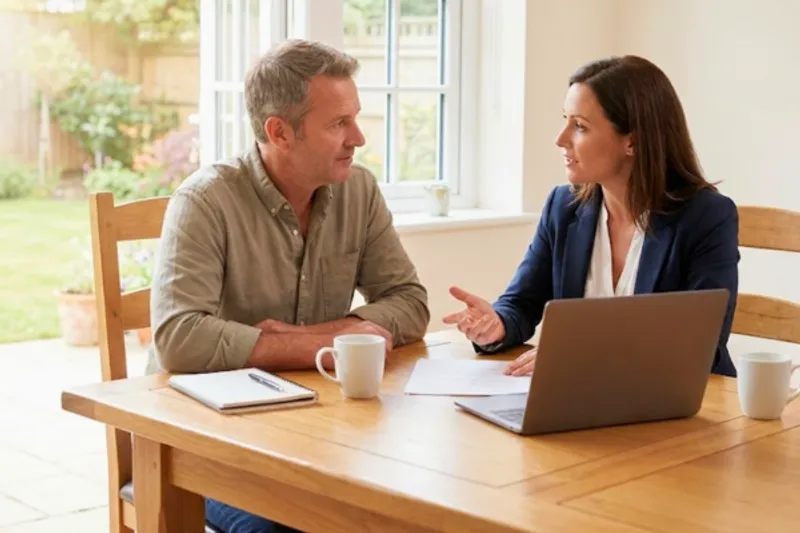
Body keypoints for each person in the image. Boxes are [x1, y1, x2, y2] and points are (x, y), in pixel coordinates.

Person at [148, 39, 430, 533]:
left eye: (355, 118)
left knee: (410, 506)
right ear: (280, 132)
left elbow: (409, 301)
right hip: (203, 442)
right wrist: (323, 346)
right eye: (338, 123)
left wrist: (325, 335)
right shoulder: (204, 201)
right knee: (293, 526)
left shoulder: (358, 191)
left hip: (315, 431)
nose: (358, 137)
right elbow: (179, 338)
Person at [443, 55, 739, 378]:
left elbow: (699, 343)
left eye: (580, 126)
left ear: (632, 142)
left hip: (684, 412)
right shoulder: (563, 207)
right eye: (565, 120)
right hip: (585, 404)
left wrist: (578, 356)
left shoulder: (707, 217)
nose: (561, 139)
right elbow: (521, 302)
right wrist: (496, 324)